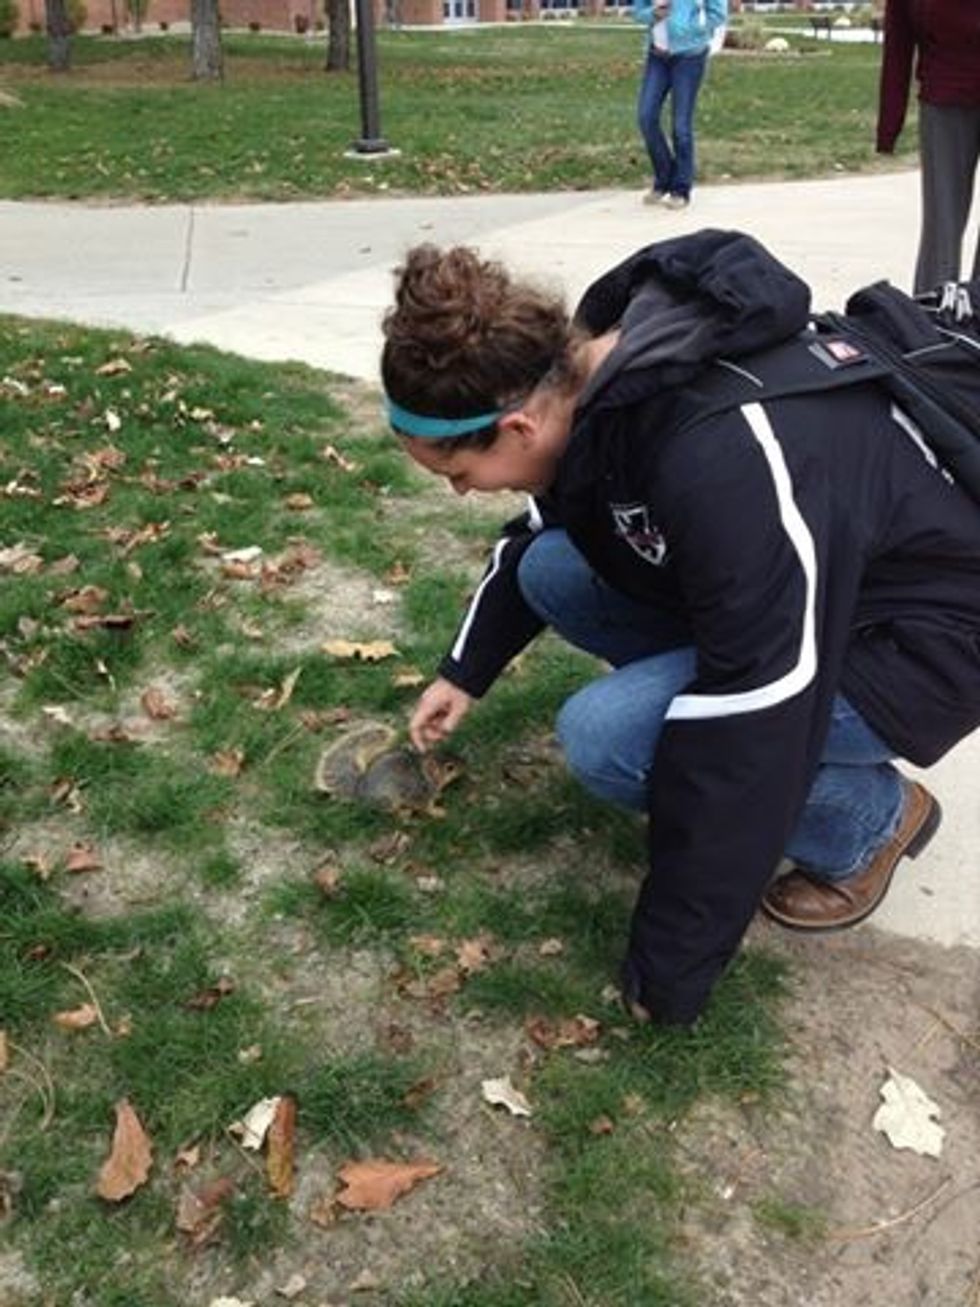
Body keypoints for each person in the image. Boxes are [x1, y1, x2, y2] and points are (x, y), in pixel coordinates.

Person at [380, 232, 980, 1027]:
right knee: (551, 569)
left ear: (519, 428)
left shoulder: (720, 456)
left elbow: (757, 713)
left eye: (458, 473)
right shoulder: (595, 377)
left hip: (926, 642)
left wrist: (668, 970)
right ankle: (721, 718)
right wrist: (464, 671)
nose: (461, 492)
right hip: (815, 592)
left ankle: (873, 823)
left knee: (606, 738)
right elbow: (537, 530)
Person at [876, 0, 980, 293]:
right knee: (941, 226)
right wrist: (889, 125)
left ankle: (935, 307)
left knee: (941, 224)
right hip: (944, 97)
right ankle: (932, 310)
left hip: (943, 91)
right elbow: (898, 40)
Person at [632, 0, 727, 210]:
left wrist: (694, 30)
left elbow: (718, 13)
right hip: (657, 57)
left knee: (681, 126)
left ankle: (681, 188)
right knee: (646, 117)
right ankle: (664, 177)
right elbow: (637, 12)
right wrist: (654, 13)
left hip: (690, 57)